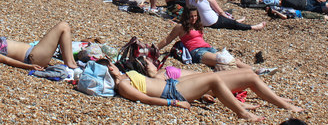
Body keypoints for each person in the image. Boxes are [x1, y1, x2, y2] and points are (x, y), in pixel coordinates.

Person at [104, 57, 302, 122]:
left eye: (110, 65)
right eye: (107, 67)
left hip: (175, 86)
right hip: (173, 93)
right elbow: (144, 99)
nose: (111, 67)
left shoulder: (126, 75)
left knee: (250, 75)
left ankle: (282, 103)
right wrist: (174, 103)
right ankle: (242, 113)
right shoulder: (123, 85)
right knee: (214, 79)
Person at [0, 21, 79, 73]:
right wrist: (28, 66)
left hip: (34, 52)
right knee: (63, 26)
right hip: (32, 57)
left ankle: (72, 64)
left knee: (64, 28)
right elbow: (5, 60)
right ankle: (70, 65)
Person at [187, 0, 265, 31]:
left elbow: (188, 11)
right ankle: (254, 27)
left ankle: (234, 21)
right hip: (211, 22)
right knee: (232, 24)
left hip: (197, 22)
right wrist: (228, 18)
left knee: (220, 16)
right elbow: (220, 12)